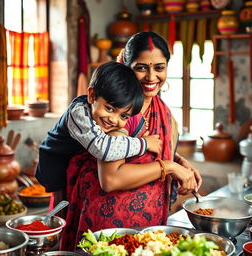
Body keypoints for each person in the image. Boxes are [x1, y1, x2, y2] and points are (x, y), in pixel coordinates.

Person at [60, 32, 202, 251]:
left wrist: (180, 162)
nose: (151, 77)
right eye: (141, 67)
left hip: (150, 225)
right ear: (127, 66)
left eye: (159, 68)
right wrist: (169, 166)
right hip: (109, 223)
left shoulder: (160, 110)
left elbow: (150, 153)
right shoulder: (116, 111)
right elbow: (111, 179)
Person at [35, 61, 162, 200]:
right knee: (61, 202)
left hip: (73, 155)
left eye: (123, 116)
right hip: (54, 161)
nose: (113, 120)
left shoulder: (102, 116)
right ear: (92, 95)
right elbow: (103, 149)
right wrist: (144, 143)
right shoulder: (78, 114)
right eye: (109, 108)